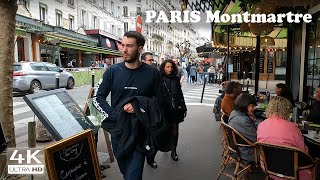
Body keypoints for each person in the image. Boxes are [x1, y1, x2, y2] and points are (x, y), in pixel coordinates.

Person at [93, 31, 160, 180]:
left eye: (129, 46)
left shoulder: (152, 73)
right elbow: (97, 98)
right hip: (119, 132)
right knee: (126, 172)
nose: (124, 49)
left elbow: (162, 101)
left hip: (141, 132)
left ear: (140, 49)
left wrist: (139, 105)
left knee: (133, 176)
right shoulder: (112, 71)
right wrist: (115, 117)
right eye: (123, 45)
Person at [257, 96, 313, 180]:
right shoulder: (292, 127)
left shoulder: (261, 125)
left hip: (268, 166)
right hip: (291, 171)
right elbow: (304, 151)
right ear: (286, 110)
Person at [152, 59, 187, 162]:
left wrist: (184, 107)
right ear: (163, 67)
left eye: (171, 67)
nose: (170, 69)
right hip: (163, 109)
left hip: (175, 109)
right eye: (168, 67)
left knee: (175, 131)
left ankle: (173, 151)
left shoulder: (176, 79)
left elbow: (180, 94)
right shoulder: (159, 78)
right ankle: (153, 153)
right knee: (161, 131)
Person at [228, 93, 258, 162]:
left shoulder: (234, 112)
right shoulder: (243, 120)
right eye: (252, 106)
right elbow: (257, 139)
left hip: (240, 148)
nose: (255, 108)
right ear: (244, 105)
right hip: (248, 152)